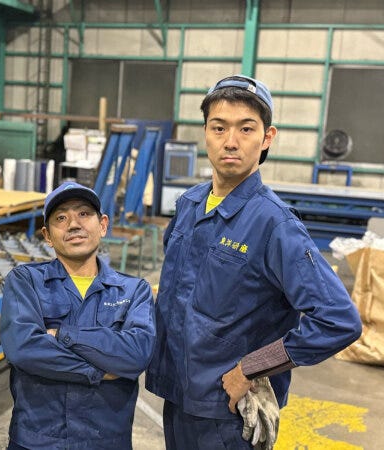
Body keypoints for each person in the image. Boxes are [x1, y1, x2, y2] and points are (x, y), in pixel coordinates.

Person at [145, 75, 362, 449]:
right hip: (177, 398)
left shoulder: (275, 225)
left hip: (228, 414)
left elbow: (338, 320)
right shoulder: (189, 206)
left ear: (267, 138)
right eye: (219, 127)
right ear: (206, 133)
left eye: (246, 129)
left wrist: (253, 367)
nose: (230, 141)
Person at [0, 181, 156, 450]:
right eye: (61, 218)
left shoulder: (134, 290)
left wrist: (63, 334)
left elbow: (137, 354)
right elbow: (23, 348)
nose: (73, 224)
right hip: (39, 441)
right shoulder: (26, 281)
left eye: (84, 213)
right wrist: (98, 370)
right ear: (48, 236)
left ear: (103, 225)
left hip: (106, 441)